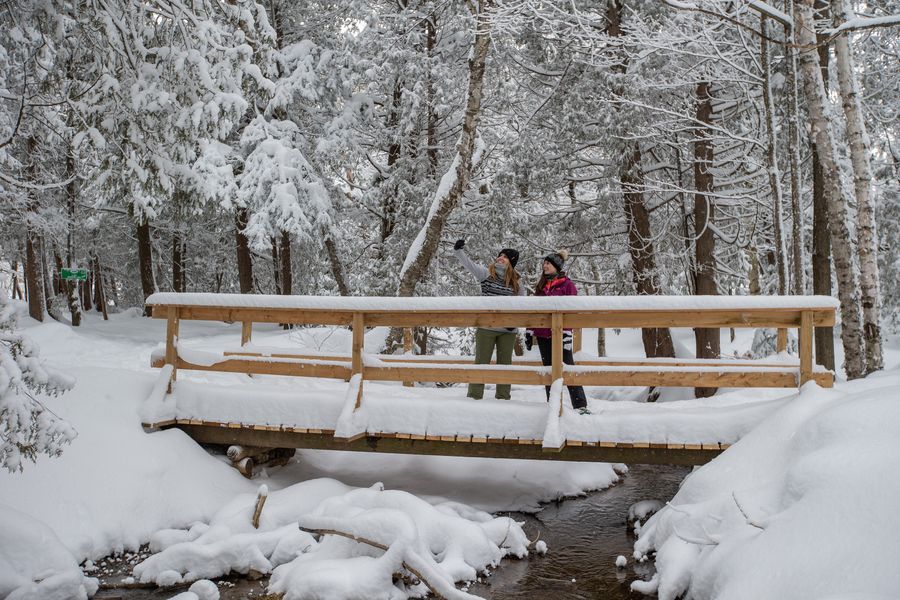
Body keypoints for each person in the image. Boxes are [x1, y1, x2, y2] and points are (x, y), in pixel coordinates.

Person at [453, 239, 525, 400]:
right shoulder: (486, 274)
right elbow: (469, 265)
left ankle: (503, 397)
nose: (501, 258)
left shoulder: (517, 283)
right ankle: (474, 396)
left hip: (508, 331)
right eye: (500, 255)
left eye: (505, 257)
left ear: (511, 262)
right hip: (486, 328)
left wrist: (512, 323)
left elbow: (522, 306)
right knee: (481, 363)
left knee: (505, 366)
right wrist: (459, 251)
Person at [526, 250, 590, 413]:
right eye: (544, 263)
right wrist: (529, 330)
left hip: (562, 334)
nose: (544, 266)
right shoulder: (541, 286)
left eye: (548, 263)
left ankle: (580, 404)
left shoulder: (567, 285)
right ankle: (552, 403)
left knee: (568, 367)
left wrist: (568, 333)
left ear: (556, 266)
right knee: (548, 369)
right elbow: (535, 310)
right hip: (543, 334)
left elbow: (573, 310)